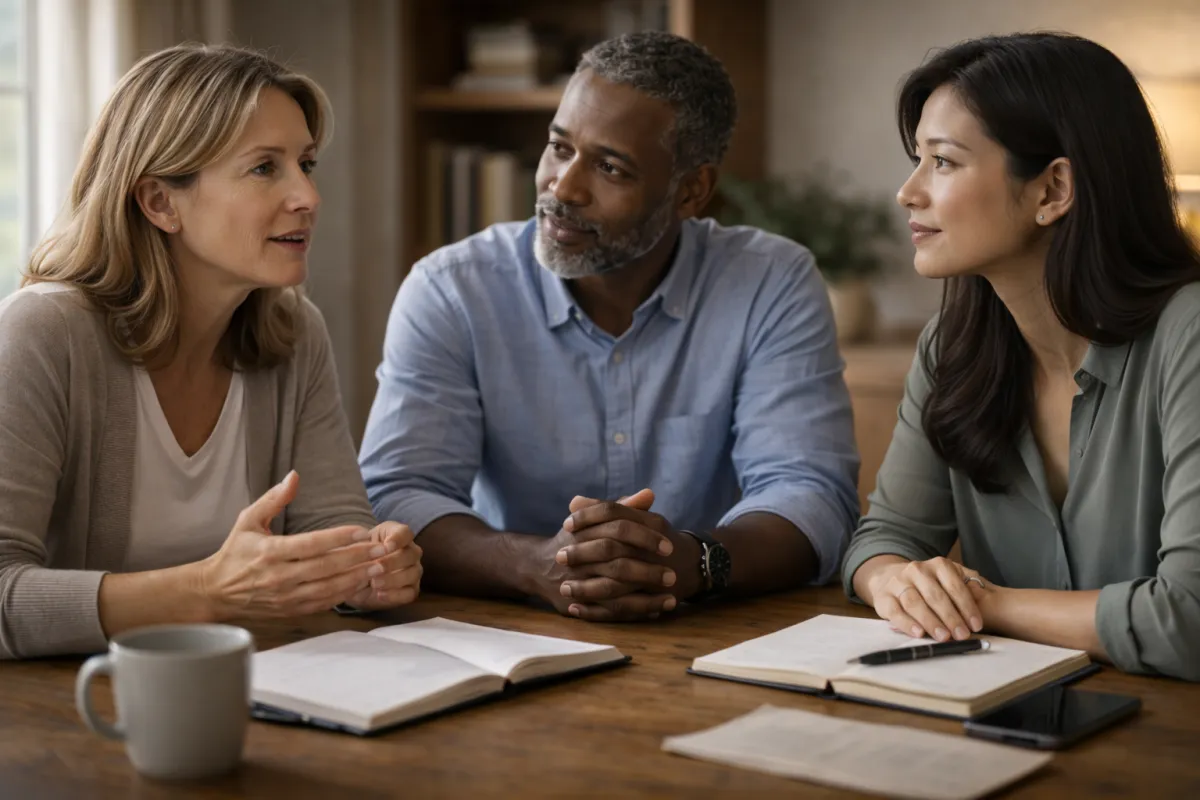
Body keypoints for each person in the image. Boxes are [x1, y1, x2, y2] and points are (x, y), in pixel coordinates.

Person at [360, 31, 859, 622]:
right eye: (559, 147)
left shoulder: (770, 282)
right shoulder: (452, 288)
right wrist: (534, 563)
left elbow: (811, 494)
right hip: (508, 634)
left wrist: (693, 563)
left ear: (691, 191)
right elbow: (396, 494)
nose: (562, 188)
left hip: (716, 632)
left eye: (611, 167)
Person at [0, 44, 422, 660]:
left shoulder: (295, 332)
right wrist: (208, 589)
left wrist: (372, 568)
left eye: (306, 163)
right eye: (264, 168)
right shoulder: (44, 333)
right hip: (70, 717)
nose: (308, 195)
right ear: (159, 202)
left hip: (249, 693)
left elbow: (337, 534)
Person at [843, 32, 1200, 681]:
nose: (908, 193)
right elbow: (883, 540)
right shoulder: (950, 347)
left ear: (1052, 189)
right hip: (1001, 719)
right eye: (916, 158)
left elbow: (1191, 621)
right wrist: (896, 582)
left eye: (943, 162)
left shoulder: (1189, 336)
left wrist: (982, 604)